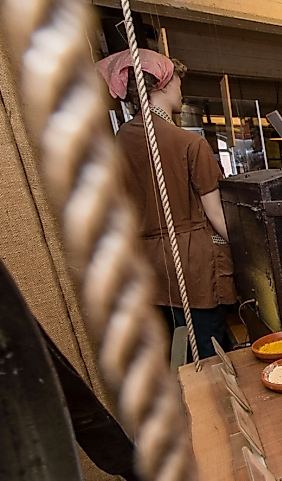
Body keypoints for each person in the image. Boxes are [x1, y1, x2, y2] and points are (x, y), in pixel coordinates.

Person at [97, 49, 237, 360]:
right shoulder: (189, 144)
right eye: (177, 83)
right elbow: (216, 214)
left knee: (173, 355)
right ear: (162, 85)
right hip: (192, 267)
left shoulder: (118, 143)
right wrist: (248, 252)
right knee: (210, 354)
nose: (180, 90)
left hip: (146, 266)